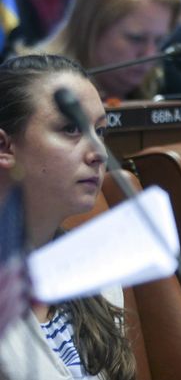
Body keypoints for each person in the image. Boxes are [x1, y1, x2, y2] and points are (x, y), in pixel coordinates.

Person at [0, 54, 135, 379]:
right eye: (70, 129)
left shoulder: (94, 270)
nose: (99, 153)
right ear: (5, 148)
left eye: (100, 131)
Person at [33, 0, 181, 101]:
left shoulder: (165, 83)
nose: (150, 55)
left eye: (159, 41)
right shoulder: (33, 88)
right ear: (92, 28)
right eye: (136, 39)